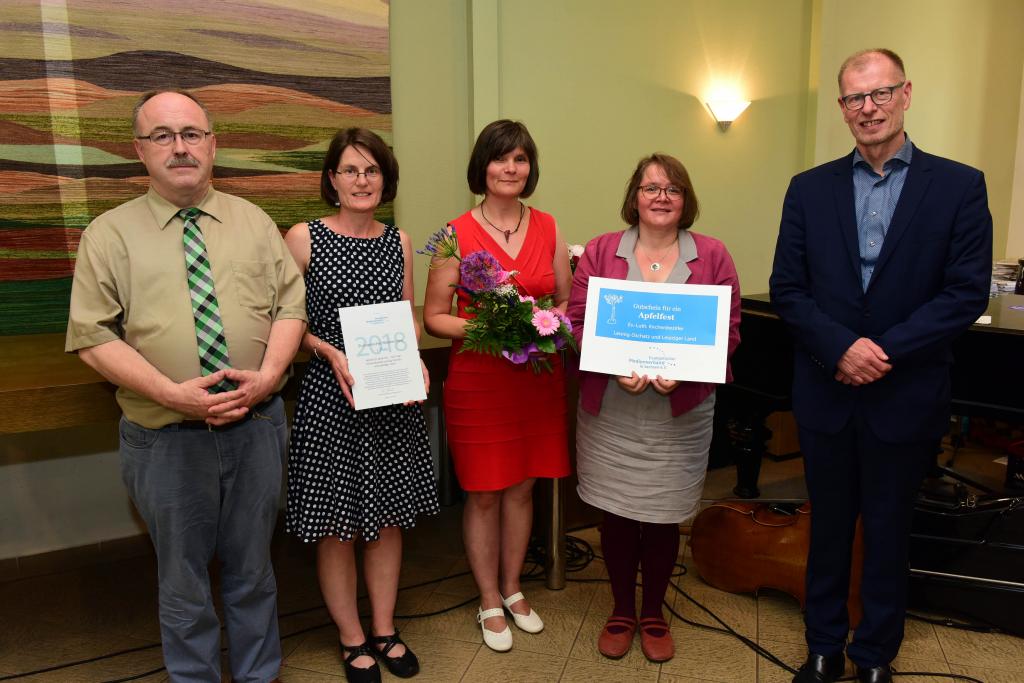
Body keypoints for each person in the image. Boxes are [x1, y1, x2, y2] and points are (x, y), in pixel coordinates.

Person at [65, 89, 307, 682]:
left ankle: (257, 675)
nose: (180, 148)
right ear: (140, 152)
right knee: (183, 581)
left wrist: (269, 377)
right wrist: (173, 394)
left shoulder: (252, 221)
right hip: (167, 439)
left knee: (255, 570)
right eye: (163, 136)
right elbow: (93, 336)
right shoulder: (109, 235)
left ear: (212, 144)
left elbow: (290, 310)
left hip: (257, 429)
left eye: (191, 134)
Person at [769, 49, 992, 683]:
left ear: (905, 95)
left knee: (891, 530)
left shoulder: (958, 185)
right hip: (825, 389)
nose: (867, 108)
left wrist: (882, 352)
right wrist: (839, 347)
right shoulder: (809, 188)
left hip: (907, 390)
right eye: (853, 99)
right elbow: (788, 287)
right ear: (842, 108)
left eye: (879, 94)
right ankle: (822, 647)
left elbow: (965, 293)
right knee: (829, 528)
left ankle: (874, 656)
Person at [567, 153, 741, 662]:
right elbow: (577, 322)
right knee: (617, 513)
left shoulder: (712, 255)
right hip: (613, 412)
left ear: (686, 199)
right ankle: (622, 609)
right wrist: (609, 362)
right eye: (650, 188)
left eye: (672, 188)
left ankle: (654, 613)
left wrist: (685, 371)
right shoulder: (601, 250)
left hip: (679, 413)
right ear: (634, 197)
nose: (661, 196)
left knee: (664, 516)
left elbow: (728, 331)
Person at [283, 128, 438, 683]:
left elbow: (405, 318)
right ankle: (351, 638)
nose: (362, 180)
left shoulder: (398, 242)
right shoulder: (304, 238)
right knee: (337, 526)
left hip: (390, 397)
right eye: (350, 170)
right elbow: (282, 326)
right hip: (331, 397)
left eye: (371, 170)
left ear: (385, 179)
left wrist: (415, 358)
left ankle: (385, 628)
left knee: (390, 519)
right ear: (332, 179)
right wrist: (327, 350)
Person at [422, 119, 571, 651]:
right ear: (482, 166)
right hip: (480, 381)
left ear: (530, 168)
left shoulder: (550, 226)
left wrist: (540, 324)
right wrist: (493, 327)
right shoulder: (453, 233)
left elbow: (562, 303)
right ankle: (487, 598)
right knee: (484, 493)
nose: (511, 168)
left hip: (536, 379)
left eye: (521, 159)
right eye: (500, 158)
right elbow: (434, 318)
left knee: (524, 485)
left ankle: (513, 588)